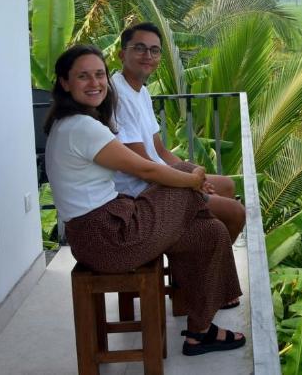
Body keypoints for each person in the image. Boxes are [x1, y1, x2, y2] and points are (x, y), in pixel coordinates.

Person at [44, 44, 245, 356]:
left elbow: (154, 160)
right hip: (111, 238)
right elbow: (146, 168)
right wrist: (194, 180)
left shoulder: (69, 123)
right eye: (83, 76)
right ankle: (203, 300)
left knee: (211, 233)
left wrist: (191, 182)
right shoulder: (82, 127)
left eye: (99, 74)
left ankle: (200, 332)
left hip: (97, 237)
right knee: (185, 177)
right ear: (64, 83)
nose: (95, 82)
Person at [112, 22, 246, 244]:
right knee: (235, 213)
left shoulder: (141, 92)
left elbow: (160, 150)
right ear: (121, 54)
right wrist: (189, 181)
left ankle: (202, 247)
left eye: (154, 50)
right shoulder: (118, 95)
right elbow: (143, 166)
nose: (148, 55)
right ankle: (205, 255)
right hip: (140, 190)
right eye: (139, 48)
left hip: (158, 177)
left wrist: (196, 176)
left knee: (227, 186)